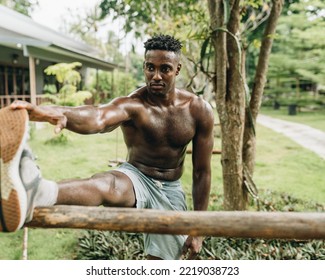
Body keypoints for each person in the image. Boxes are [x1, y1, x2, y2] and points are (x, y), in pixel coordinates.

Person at [0, 34, 214, 260]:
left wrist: (199, 229)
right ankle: (39, 191)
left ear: (177, 70)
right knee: (106, 185)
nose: (156, 76)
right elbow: (98, 116)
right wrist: (56, 113)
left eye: (165, 69)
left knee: (164, 263)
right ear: (144, 67)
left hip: (171, 189)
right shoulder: (134, 104)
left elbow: (202, 172)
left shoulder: (198, 110)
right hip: (135, 178)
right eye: (150, 68)